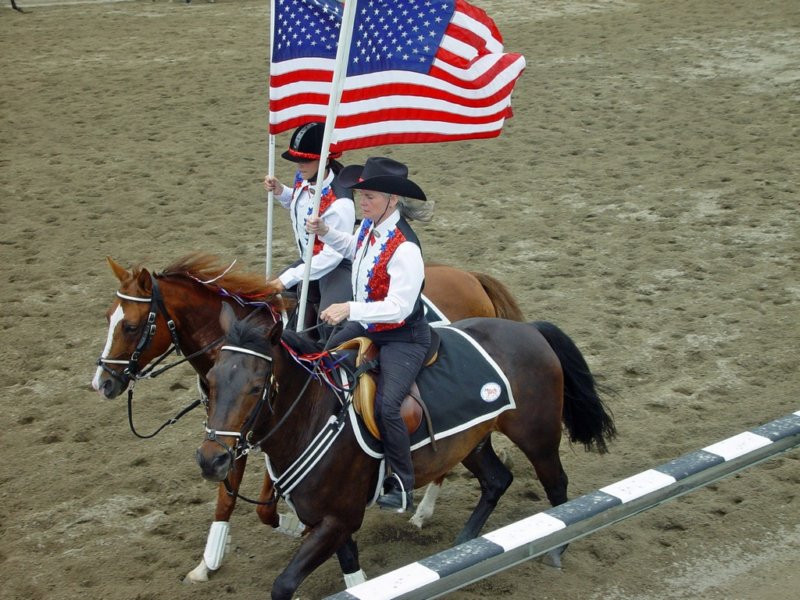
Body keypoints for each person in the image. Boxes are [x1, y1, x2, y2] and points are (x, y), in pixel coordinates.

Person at [306, 157, 435, 513]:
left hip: (403, 338)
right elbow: (355, 249)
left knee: (388, 405)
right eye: (361, 194)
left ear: (392, 200)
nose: (361, 201)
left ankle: (403, 485)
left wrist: (350, 309)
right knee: (320, 362)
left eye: (369, 196)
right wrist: (326, 232)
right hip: (370, 325)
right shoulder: (370, 226)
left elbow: (400, 308)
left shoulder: (406, 249)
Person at [263, 122, 355, 340]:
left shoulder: (340, 204)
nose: (299, 165)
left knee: (330, 324)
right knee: (267, 299)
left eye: (306, 160)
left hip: (337, 266)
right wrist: (281, 191)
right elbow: (300, 203)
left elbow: (332, 256)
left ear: (325, 160)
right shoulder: (304, 178)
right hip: (309, 260)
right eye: (298, 160)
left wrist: (289, 278)